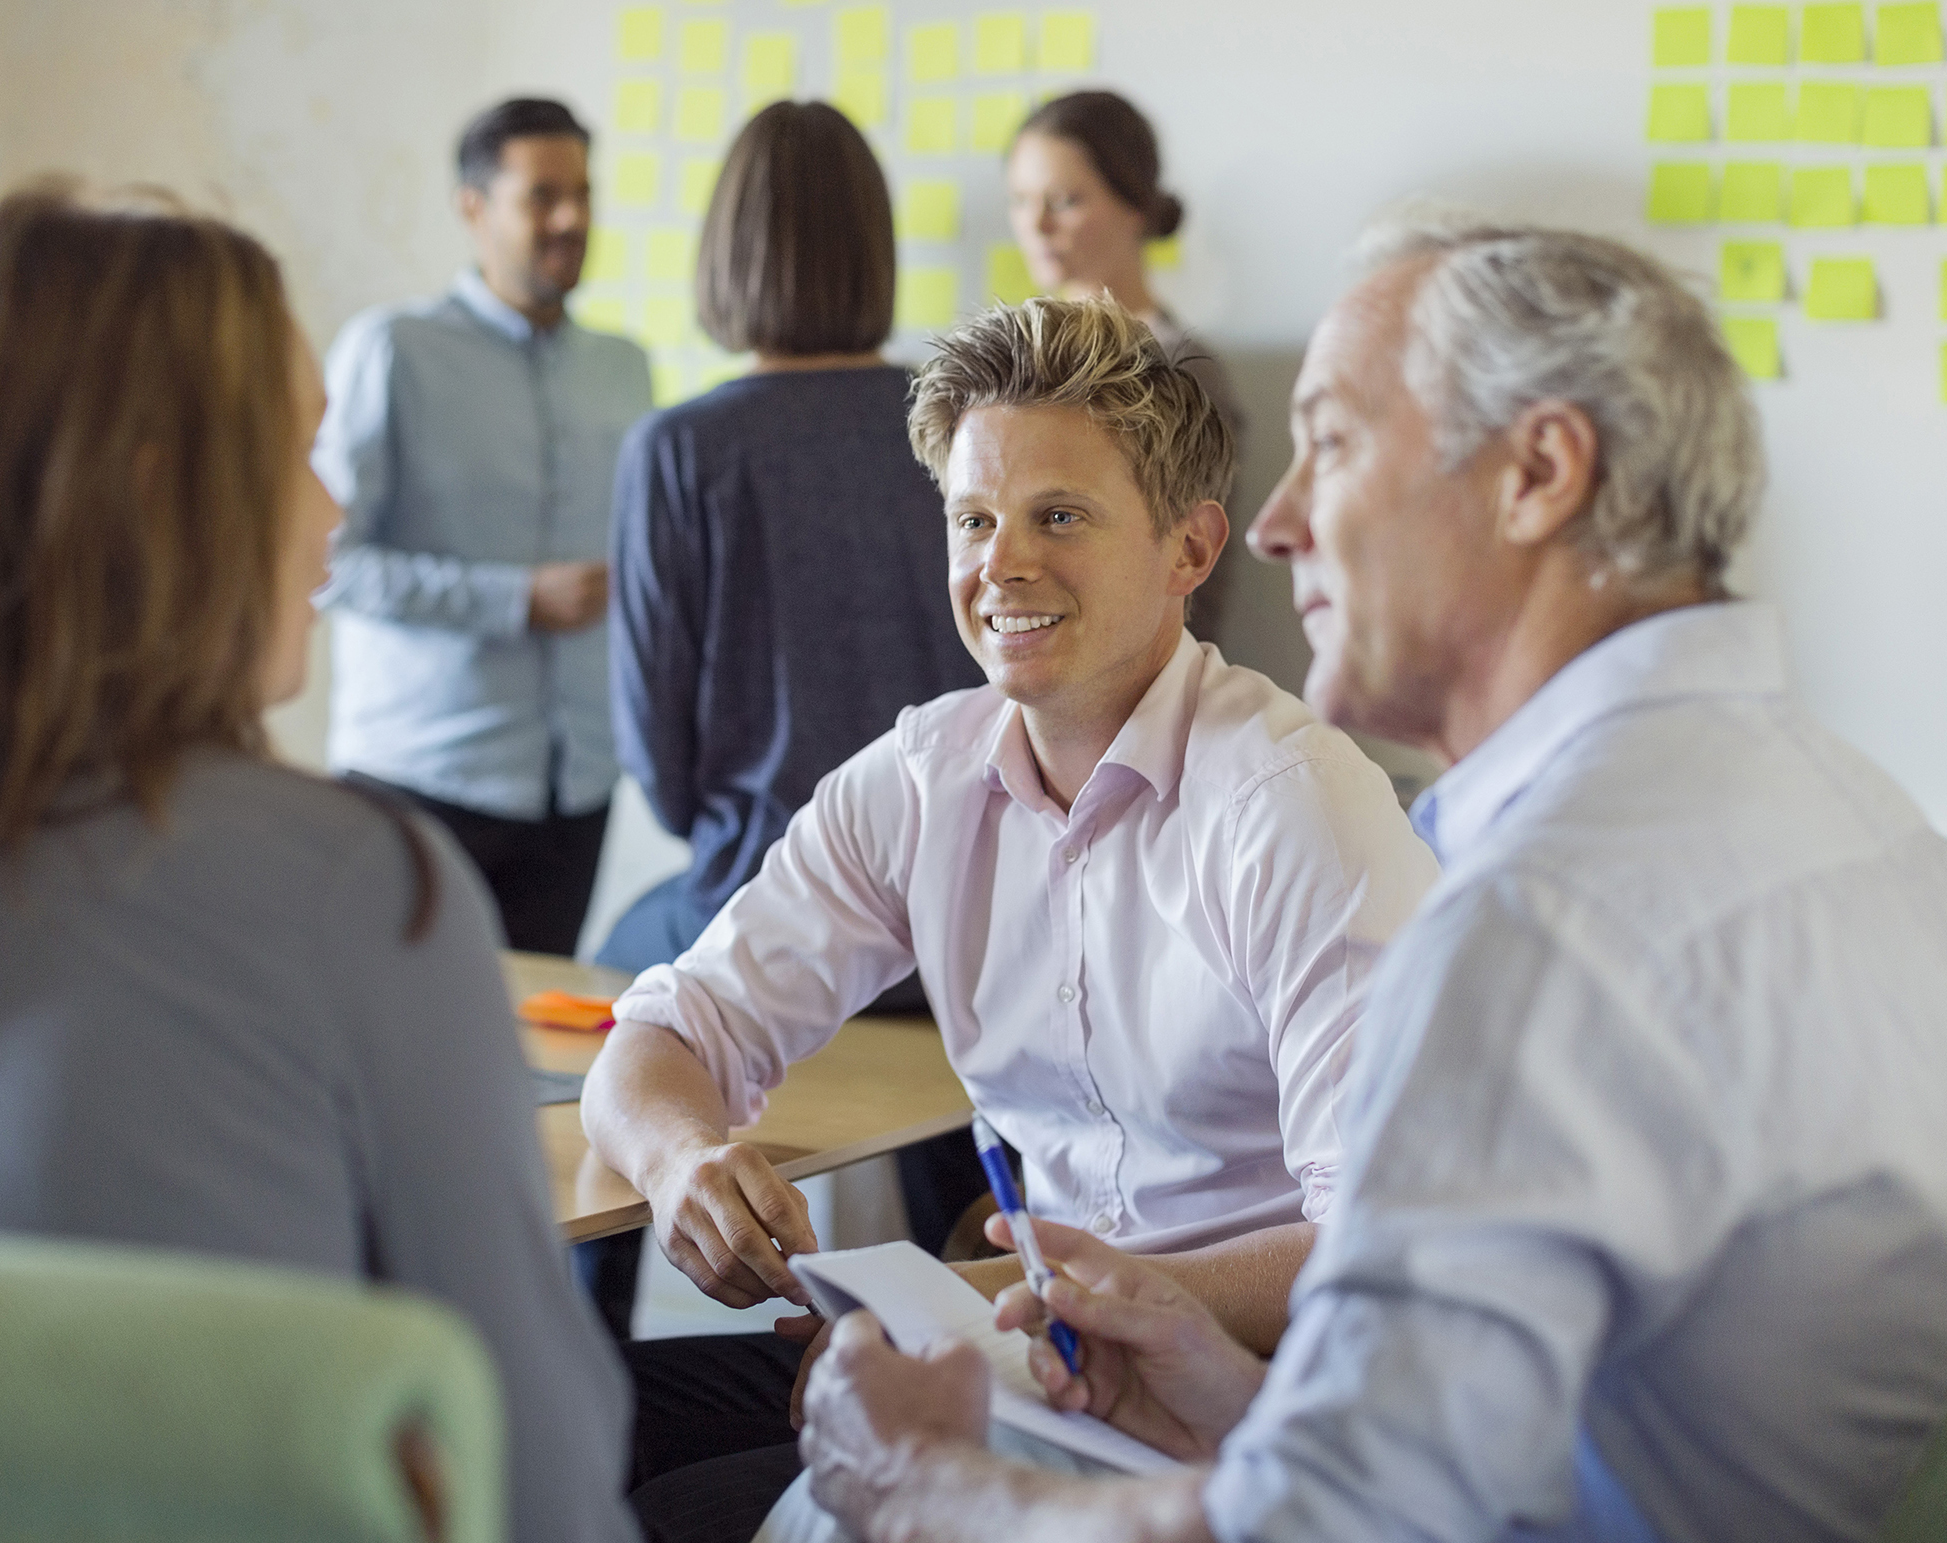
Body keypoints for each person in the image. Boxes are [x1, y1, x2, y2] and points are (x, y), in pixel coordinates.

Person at [795, 216, 1947, 1542]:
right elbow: (1476, 1456)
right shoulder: (1856, 814)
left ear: (1538, 471)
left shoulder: (1542, 923)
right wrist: (1219, 1379)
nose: (1278, 527)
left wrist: (923, 1488)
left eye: (1334, 444)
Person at [0, 183, 637, 1543]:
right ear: (148, 490)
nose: (333, 519)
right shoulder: (356, 886)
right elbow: (540, 1486)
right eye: (300, 456)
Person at [583, 295, 1439, 1540]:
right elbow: (661, 1033)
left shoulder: (1292, 808)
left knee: (681, 1516)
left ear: (1191, 551)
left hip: (1226, 1402)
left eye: (1062, 517)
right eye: (974, 520)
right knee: (566, 1422)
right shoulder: (925, 775)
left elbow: (1380, 1240)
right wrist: (683, 1162)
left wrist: (1011, 1294)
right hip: (1017, 1345)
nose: (1004, 565)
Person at [585, 100, 991, 1342]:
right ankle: (953, 1314)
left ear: (725, 251)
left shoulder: (680, 450)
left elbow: (658, 765)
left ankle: (585, 1355)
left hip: (765, 908)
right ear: (875, 246)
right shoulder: (957, 430)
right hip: (961, 926)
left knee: (615, 966)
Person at [317, 97, 653, 956]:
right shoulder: (392, 351)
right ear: (473, 206)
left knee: (532, 1062)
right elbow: (325, 561)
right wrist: (516, 599)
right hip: (421, 777)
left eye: (582, 193)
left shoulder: (624, 370)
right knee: (393, 1053)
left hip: (574, 784)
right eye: (542, 195)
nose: (572, 218)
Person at [1007, 90, 1247, 645]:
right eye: (1020, 200)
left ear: (1134, 204)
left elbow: (1193, 592)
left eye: (1064, 200)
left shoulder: (1182, 369)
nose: (1036, 224)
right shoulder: (1013, 359)